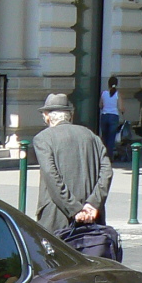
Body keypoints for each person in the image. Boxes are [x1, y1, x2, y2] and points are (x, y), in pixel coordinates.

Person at [31, 93, 112, 234]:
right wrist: (93, 204)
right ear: (70, 115)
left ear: (48, 116)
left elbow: (51, 176)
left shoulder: (43, 138)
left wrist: (75, 208)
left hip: (57, 216)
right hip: (92, 217)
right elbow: (107, 171)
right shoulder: (91, 135)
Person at [98, 76, 125, 157]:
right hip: (113, 117)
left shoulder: (104, 93)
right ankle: (110, 156)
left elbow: (100, 105)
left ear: (108, 84)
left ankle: (103, 155)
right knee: (111, 137)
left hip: (104, 116)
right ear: (116, 84)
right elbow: (120, 108)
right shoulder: (117, 94)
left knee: (104, 136)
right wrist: (123, 111)